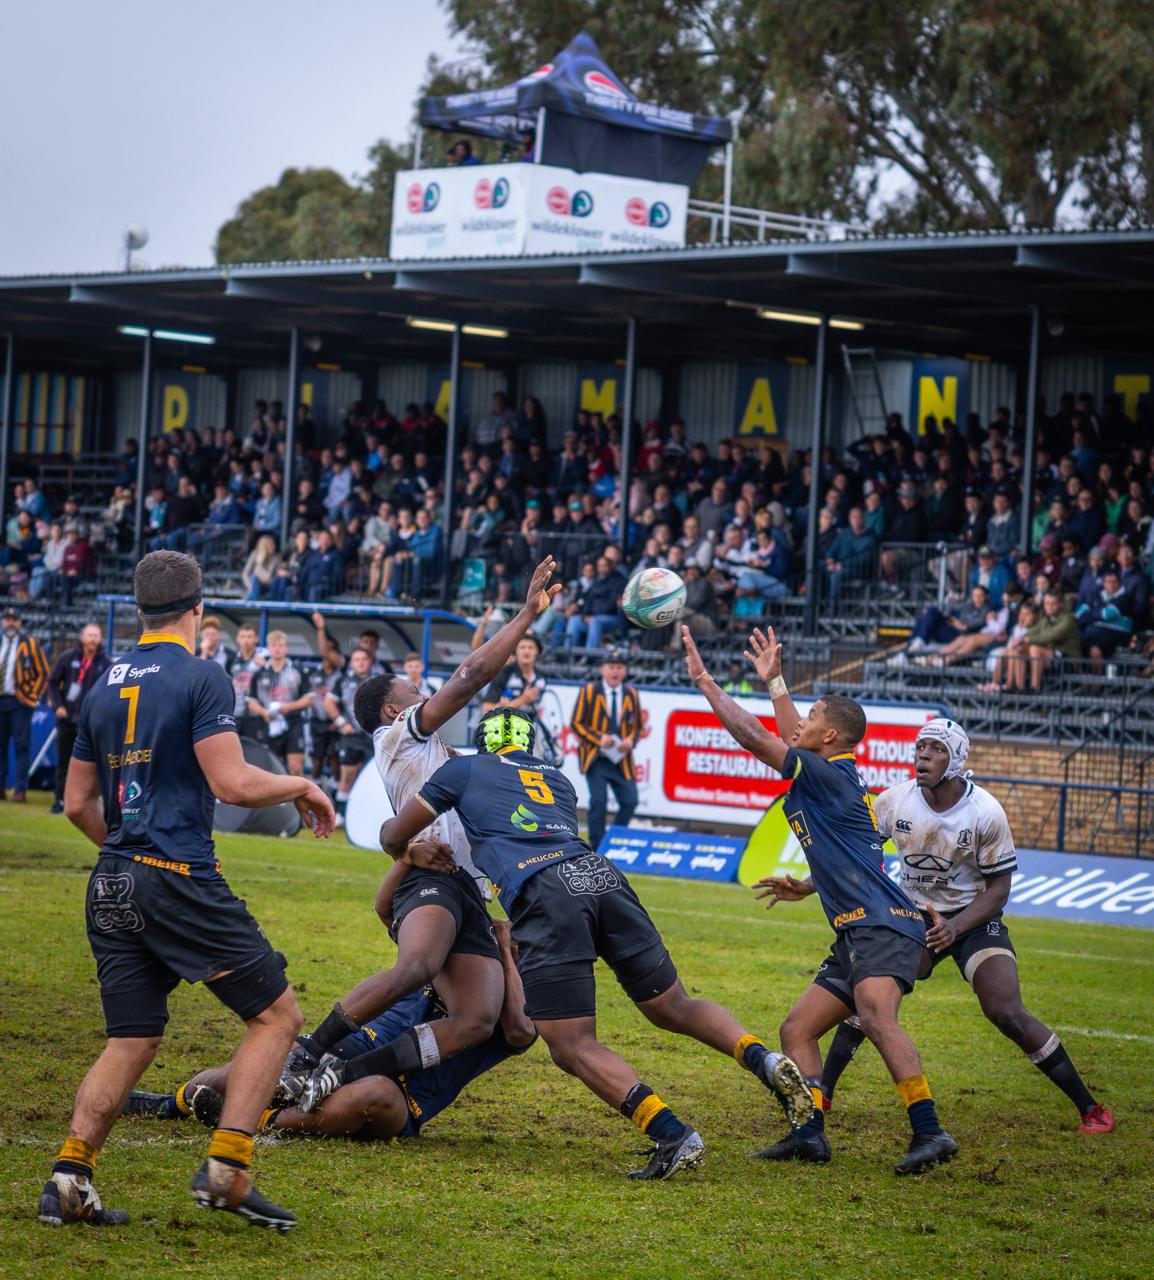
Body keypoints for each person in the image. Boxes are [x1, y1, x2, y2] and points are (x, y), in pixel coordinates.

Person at [378, 704, 812, 1181]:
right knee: (674, 1005)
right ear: (531, 742)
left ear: (482, 740)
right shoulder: (558, 779)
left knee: (569, 1045)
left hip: (545, 890)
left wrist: (406, 847)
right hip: (600, 875)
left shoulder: (462, 768)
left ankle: (670, 1132)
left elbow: (396, 833)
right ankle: (762, 1058)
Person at [38, 551, 334, 1232]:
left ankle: (70, 1177)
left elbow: (78, 802)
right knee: (277, 1018)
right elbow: (232, 783)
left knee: (131, 1039)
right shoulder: (203, 675)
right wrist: (303, 785)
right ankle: (229, 1168)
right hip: (174, 876)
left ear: (140, 611)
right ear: (197, 610)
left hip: (111, 878)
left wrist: (126, 854)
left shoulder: (104, 681)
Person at [275, 558, 566, 1109]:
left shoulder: (443, 753)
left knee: (478, 1019)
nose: (424, 692)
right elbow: (470, 676)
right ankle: (309, 1051)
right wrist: (527, 614)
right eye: (415, 688)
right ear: (392, 708)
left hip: (467, 889)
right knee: (417, 966)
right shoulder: (397, 738)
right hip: (430, 878)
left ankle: (344, 1071)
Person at [682, 625, 957, 1174]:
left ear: (830, 737)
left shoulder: (828, 775)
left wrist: (705, 682)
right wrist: (776, 682)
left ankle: (930, 1132)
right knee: (797, 1030)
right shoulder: (826, 771)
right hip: (857, 927)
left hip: (884, 922)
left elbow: (757, 739)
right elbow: (791, 735)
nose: (800, 724)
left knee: (878, 1016)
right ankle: (809, 1134)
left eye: (810, 719)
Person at [762, 718, 1114, 1136]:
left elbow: (999, 890)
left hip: (973, 920)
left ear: (958, 760)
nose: (923, 756)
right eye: (920, 747)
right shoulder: (895, 801)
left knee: (1006, 1010)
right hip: (912, 920)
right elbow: (854, 858)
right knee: (866, 998)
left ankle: (1090, 1107)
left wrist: (956, 926)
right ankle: (827, 1094)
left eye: (936, 749)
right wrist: (805, 886)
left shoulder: (985, 812)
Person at [126, 920, 535, 1142]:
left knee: (371, 1096)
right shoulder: (462, 957)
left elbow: (519, 1031)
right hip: (355, 1049)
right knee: (272, 1059)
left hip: (403, 1096)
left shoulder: (529, 998)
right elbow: (408, 941)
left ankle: (265, 1121)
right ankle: (174, 1102)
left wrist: (504, 953)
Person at [570, 649, 641, 850]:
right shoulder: (589, 691)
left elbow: (637, 727)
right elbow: (576, 723)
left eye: (619, 667)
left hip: (622, 760)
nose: (615, 671)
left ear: (625, 670)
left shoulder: (631, 694)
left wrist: (630, 740)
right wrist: (599, 739)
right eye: (611, 667)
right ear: (603, 669)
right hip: (596, 758)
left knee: (630, 801)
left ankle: (613, 841)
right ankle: (597, 846)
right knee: (598, 801)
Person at [46, 624, 112, 815]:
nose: (93, 639)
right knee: (64, 761)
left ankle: (96, 803)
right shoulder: (68, 657)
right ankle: (60, 799)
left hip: (92, 723)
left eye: (96, 635)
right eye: (90, 635)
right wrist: (57, 705)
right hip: (67, 719)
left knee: (98, 764)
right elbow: (52, 681)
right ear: (82, 637)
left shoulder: (106, 664)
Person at [0, 606, 49, 803]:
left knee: (21, 746)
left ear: (20, 623)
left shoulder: (30, 644)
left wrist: (34, 694)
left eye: (15, 619)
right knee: (0, 747)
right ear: (3, 621)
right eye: (8, 619)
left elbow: (44, 672)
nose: (11, 622)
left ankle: (20, 790)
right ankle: (0, 788)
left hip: (20, 702)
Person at [323, 646, 375, 822]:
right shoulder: (342, 681)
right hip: (351, 735)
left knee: (373, 776)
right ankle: (339, 814)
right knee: (347, 775)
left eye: (364, 659)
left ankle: (367, 814)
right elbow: (328, 703)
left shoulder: (379, 681)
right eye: (356, 660)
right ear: (352, 663)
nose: (360, 663)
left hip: (374, 736)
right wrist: (341, 723)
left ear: (369, 662)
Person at [248, 631, 312, 775]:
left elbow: (309, 698)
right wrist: (264, 712)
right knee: (272, 768)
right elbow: (252, 702)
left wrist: (289, 707)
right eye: (274, 645)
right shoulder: (259, 674)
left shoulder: (298, 671)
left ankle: (296, 797)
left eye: (281, 645)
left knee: (296, 768)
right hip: (269, 722)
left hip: (293, 722)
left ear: (286, 648)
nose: (277, 649)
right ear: (268, 648)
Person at [224, 624, 266, 742]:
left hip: (255, 715)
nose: (246, 640)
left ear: (256, 639)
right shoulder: (232, 659)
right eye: (243, 636)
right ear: (237, 638)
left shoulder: (263, 660)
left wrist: (265, 666)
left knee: (255, 751)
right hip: (235, 713)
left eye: (250, 636)